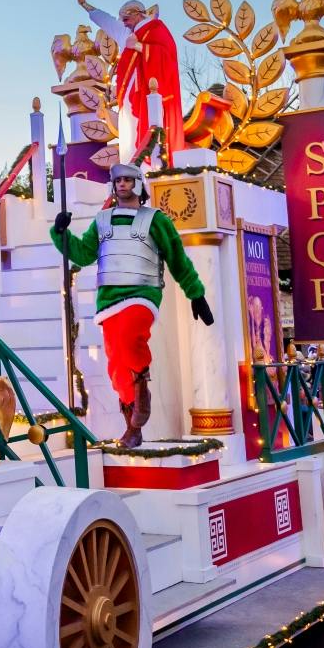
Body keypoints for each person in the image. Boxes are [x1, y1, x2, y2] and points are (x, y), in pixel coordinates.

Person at [52, 161, 213, 448]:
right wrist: (61, 233)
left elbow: (177, 258)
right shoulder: (102, 221)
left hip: (143, 295)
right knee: (115, 365)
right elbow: (83, 255)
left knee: (130, 339)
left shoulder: (156, 220)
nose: (122, 184)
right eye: (118, 181)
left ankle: (142, 389)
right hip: (108, 301)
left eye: (127, 180)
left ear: (138, 184)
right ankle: (132, 426)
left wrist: (195, 293)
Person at [75, 0, 185, 162]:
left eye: (126, 18)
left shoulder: (156, 29)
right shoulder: (128, 34)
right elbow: (107, 21)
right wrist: (84, 4)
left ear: (137, 13)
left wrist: (139, 47)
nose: (123, 22)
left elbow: (168, 55)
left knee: (149, 132)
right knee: (129, 134)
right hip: (128, 96)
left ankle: (150, 167)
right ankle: (130, 167)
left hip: (149, 95)